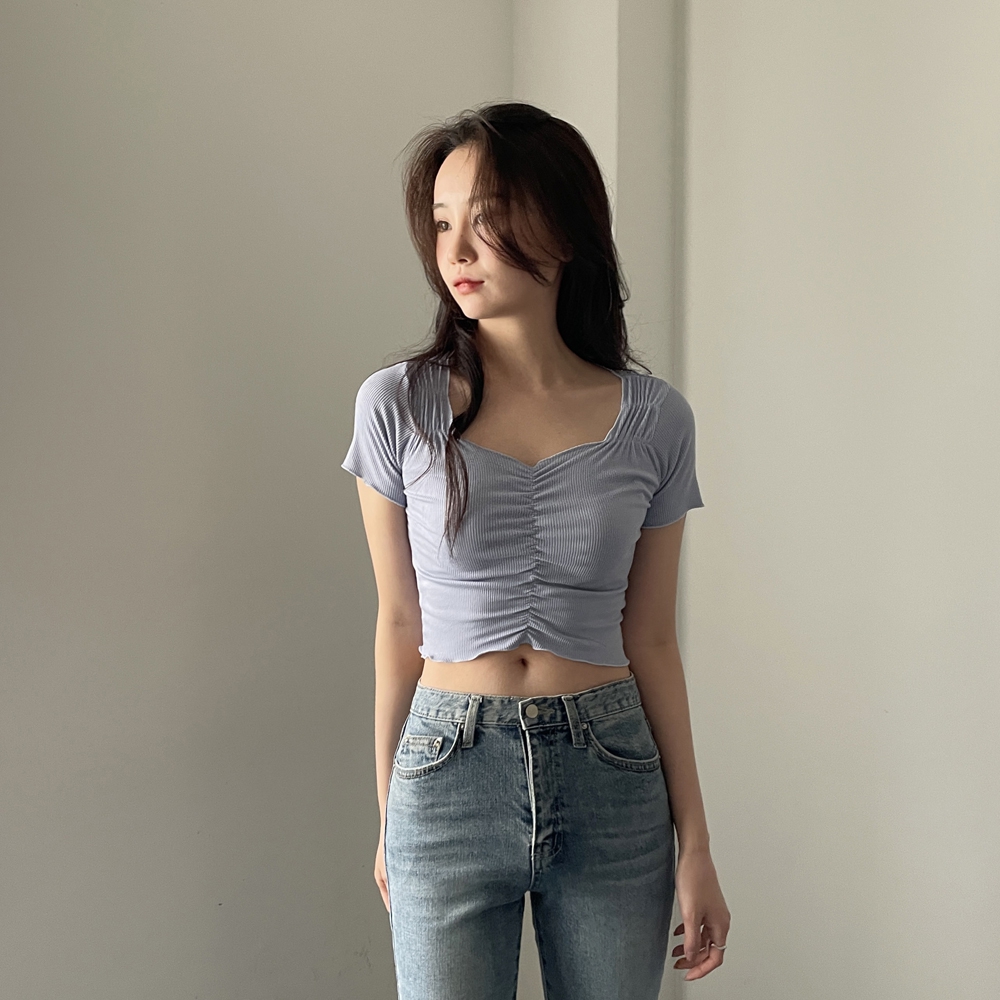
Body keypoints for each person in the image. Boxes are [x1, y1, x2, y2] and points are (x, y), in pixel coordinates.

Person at [341, 101, 730, 1000]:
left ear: (561, 227)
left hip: (612, 771)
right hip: (446, 770)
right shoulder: (396, 405)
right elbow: (398, 624)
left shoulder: (656, 420)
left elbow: (652, 639)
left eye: (484, 219)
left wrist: (697, 844)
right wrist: (391, 813)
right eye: (442, 223)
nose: (456, 250)